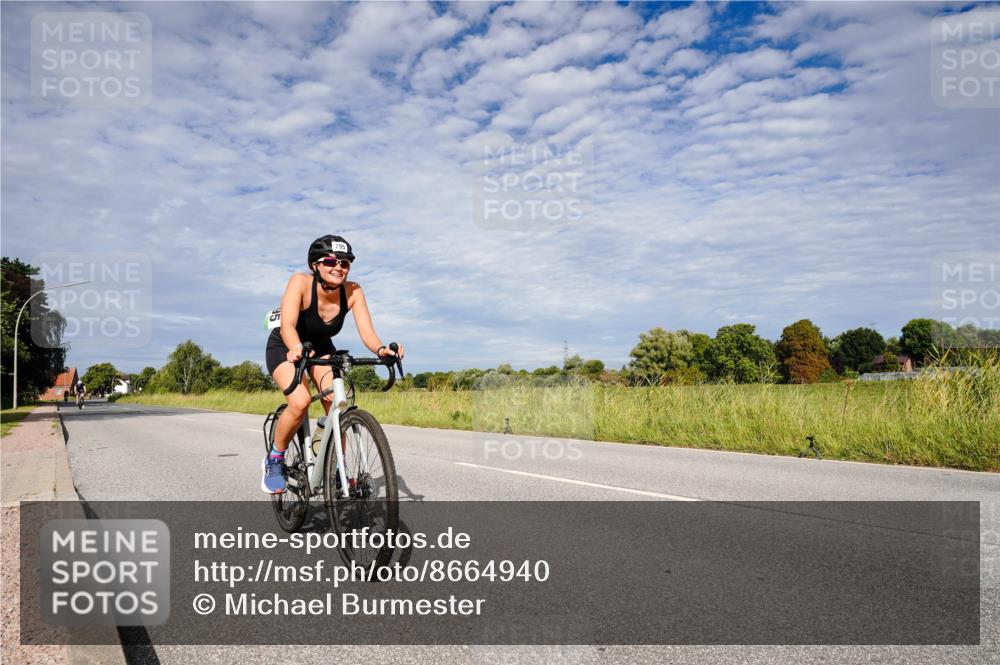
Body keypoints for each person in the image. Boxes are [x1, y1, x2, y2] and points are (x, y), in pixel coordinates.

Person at [262, 235, 403, 494]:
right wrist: (294, 347)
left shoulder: (353, 291)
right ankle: (275, 459)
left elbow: (368, 333)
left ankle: (336, 465)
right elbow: (288, 326)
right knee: (300, 401)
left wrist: (382, 349)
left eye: (345, 263)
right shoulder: (300, 282)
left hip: (321, 345)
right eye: (330, 261)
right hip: (286, 345)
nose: (339, 267)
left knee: (338, 404)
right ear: (315, 265)